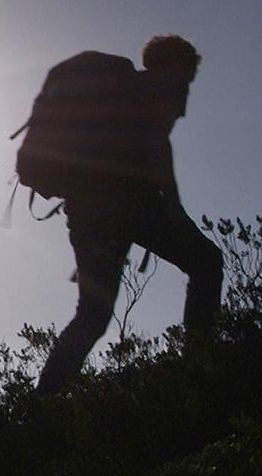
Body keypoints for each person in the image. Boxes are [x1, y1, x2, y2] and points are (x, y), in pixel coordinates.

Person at [33, 34, 223, 393]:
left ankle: (42, 406)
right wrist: (175, 208)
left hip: (87, 210)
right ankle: (198, 365)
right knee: (207, 262)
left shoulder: (118, 87)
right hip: (132, 207)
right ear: (177, 67)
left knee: (92, 316)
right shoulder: (166, 86)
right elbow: (157, 142)